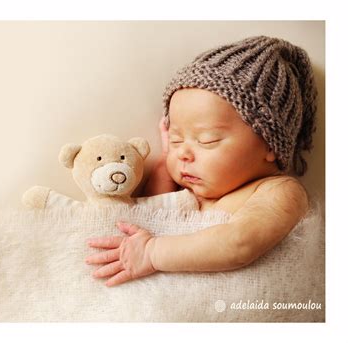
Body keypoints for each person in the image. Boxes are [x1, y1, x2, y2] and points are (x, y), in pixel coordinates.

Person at [84, 36, 318, 287]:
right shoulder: (191, 191)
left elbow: (239, 243)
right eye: (175, 139)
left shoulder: (280, 192)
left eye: (206, 140)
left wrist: (152, 252)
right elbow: (153, 213)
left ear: (269, 144)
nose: (183, 154)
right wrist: (166, 161)